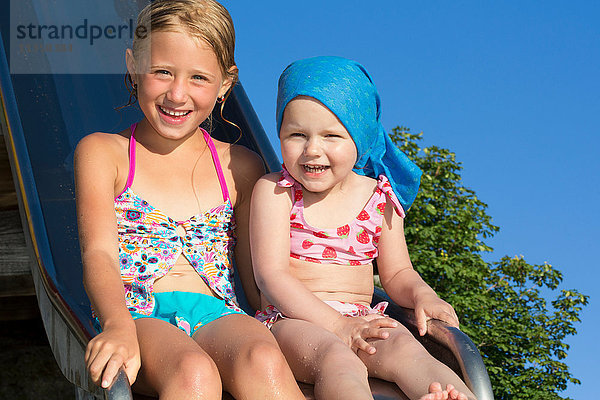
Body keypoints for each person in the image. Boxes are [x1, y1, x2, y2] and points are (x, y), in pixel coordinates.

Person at [74, 1, 304, 398]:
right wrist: (116, 325)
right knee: (193, 371)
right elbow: (99, 253)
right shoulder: (103, 153)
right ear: (133, 65)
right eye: (161, 71)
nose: (177, 94)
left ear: (225, 85)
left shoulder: (241, 167)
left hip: (221, 313)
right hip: (138, 314)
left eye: (198, 78)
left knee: (263, 359)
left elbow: (256, 280)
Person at [250, 56, 477, 400]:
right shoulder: (275, 191)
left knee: (409, 352)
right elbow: (272, 276)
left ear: (359, 138)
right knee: (339, 360)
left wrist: (422, 295)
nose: (313, 149)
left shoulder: (379, 195)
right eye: (297, 134)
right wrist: (337, 326)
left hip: (361, 318)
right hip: (291, 322)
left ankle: (448, 395)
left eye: (331, 136)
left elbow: (398, 272)